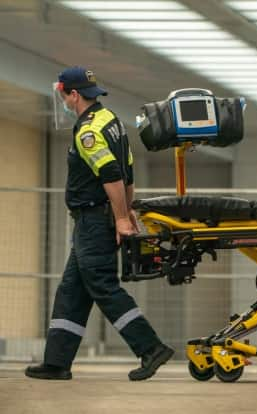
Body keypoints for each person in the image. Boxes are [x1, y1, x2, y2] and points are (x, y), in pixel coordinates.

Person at [25, 67, 173, 381]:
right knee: (71, 291)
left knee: (103, 287)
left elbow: (111, 175)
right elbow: (128, 172)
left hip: (94, 220)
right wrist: (127, 209)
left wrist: (121, 218)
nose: (62, 101)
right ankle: (57, 362)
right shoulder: (113, 121)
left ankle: (150, 348)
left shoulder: (87, 131)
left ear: (74, 95)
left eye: (63, 95)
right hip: (94, 221)